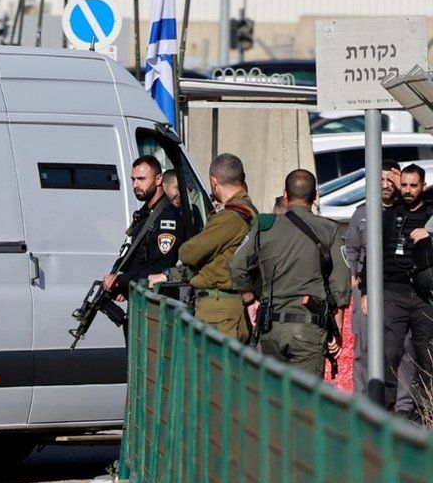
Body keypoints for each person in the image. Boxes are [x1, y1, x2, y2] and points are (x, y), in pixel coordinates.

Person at [230, 170, 351, 377]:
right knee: (305, 403)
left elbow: (236, 266)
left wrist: (250, 300)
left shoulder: (265, 226)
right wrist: (336, 329)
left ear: (285, 195)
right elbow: (340, 285)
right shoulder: (329, 230)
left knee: (273, 398)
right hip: (309, 330)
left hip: (271, 329)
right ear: (315, 196)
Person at [149, 153, 257, 341]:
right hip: (223, 308)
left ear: (214, 181)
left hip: (219, 312)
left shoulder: (230, 217)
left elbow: (189, 253)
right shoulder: (245, 211)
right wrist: (169, 274)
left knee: (216, 369)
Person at [343, 161, 414, 410]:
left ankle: (401, 408)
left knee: (402, 351)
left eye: (389, 180)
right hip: (366, 293)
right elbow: (349, 249)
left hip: (398, 292)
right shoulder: (362, 213)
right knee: (365, 350)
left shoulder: (407, 212)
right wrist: (353, 277)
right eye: (380, 180)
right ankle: (364, 407)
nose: (385, 185)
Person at [365, 164, 433, 412]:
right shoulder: (389, 215)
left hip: (424, 296)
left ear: (423, 187)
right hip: (393, 293)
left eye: (413, 185)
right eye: (403, 185)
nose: (407, 190)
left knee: (426, 355)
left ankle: (426, 410)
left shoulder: (430, 215)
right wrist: (365, 289)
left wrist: (428, 233)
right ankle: (384, 411)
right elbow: (371, 254)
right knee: (388, 354)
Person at [102, 156, 186, 299]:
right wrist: (123, 284)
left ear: (158, 180)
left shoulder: (168, 217)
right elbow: (139, 259)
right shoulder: (146, 214)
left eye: (141, 179)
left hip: (156, 302)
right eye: (133, 179)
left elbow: (161, 266)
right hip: (141, 296)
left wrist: (123, 281)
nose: (136, 185)